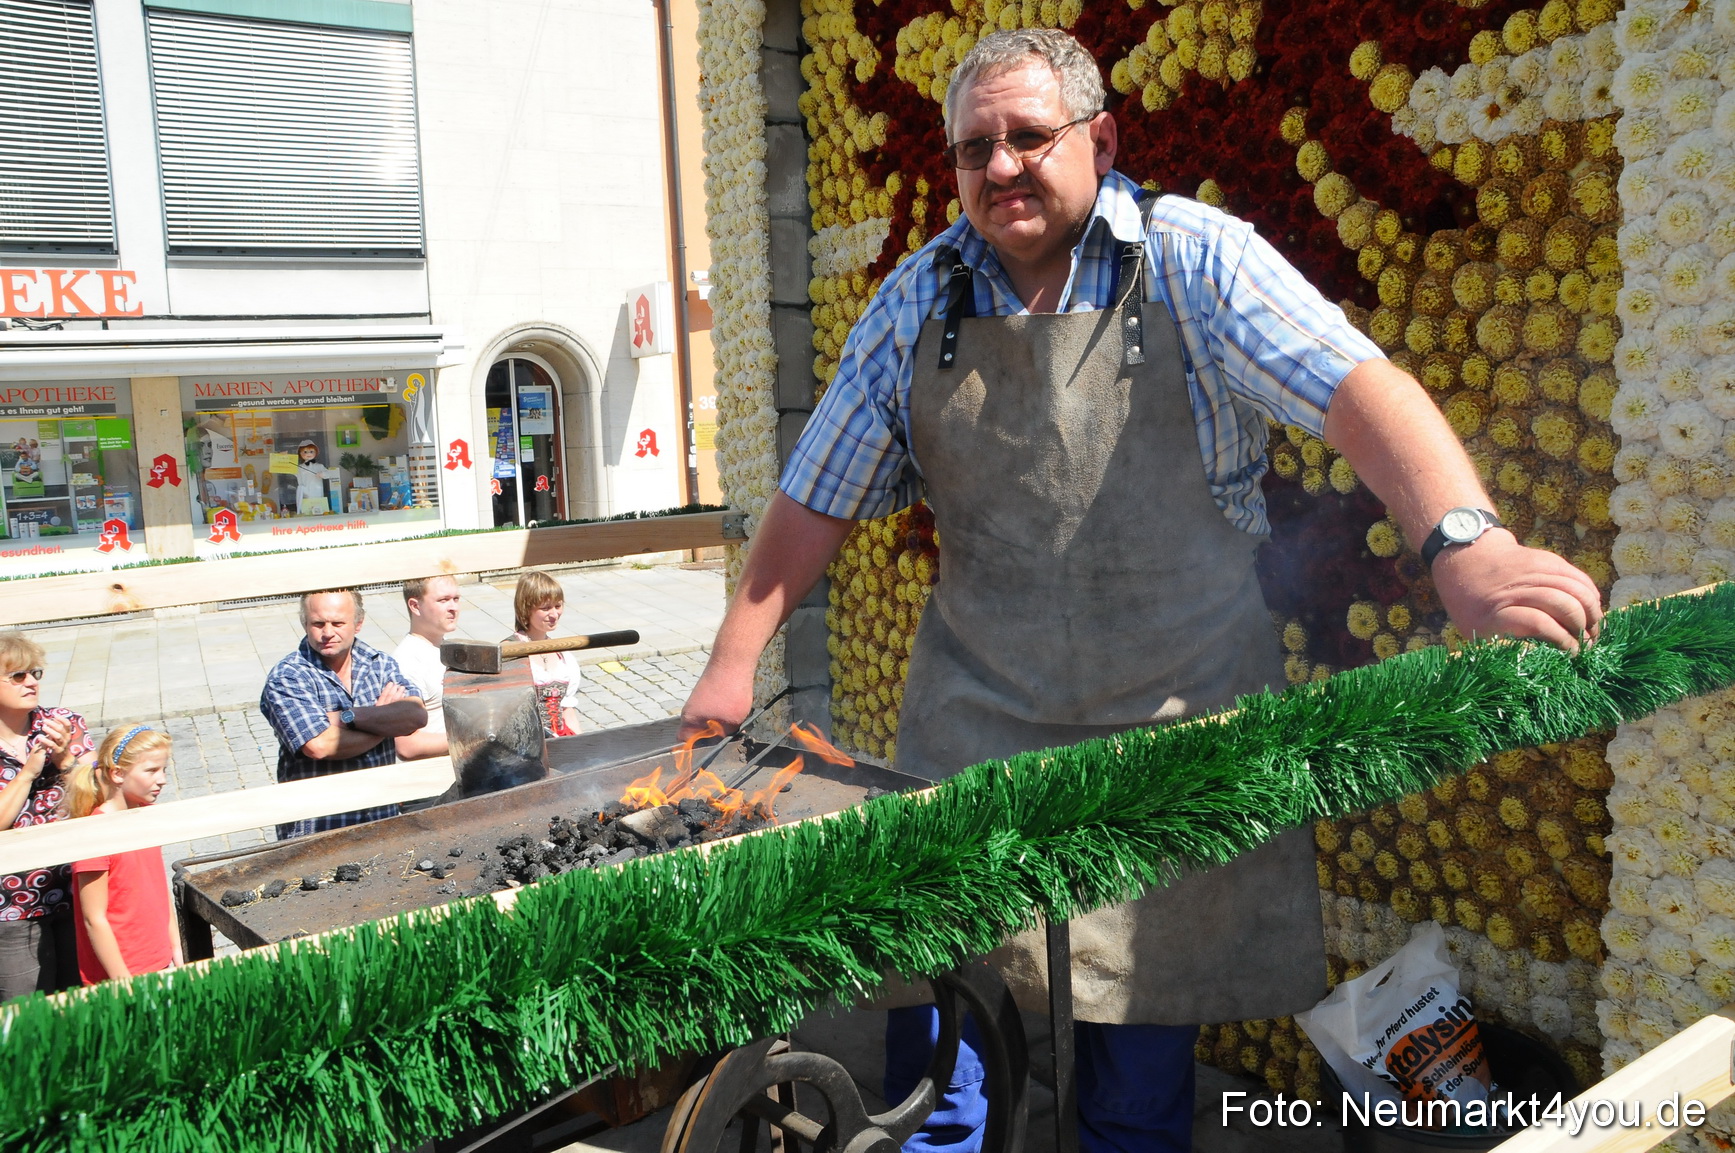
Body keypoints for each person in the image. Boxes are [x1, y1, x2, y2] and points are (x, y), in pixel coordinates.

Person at [679, 29, 1604, 1153]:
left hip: (1167, 738)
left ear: (1100, 139)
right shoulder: (917, 299)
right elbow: (815, 494)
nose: (1002, 166)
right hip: (972, 728)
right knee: (945, 1074)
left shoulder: (1196, 259)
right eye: (976, 147)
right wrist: (729, 676)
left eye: (1029, 136)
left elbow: (1357, 386)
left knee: (1134, 1080)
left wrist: (1466, 546)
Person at [259, 588, 427, 839]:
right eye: (318, 623)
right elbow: (320, 745)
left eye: (338, 623)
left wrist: (346, 717)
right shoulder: (288, 677)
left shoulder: (379, 664)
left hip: (381, 822)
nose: (327, 633)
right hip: (318, 831)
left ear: (358, 623)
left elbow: (415, 715)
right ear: (304, 623)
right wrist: (383, 719)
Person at [0, 634, 94, 1000]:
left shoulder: (64, 723)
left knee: (84, 1002)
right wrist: (28, 772)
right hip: (12, 907)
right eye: (18, 676)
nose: (33, 682)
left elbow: (100, 796)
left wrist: (65, 761)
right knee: (24, 1012)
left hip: (76, 889)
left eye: (35, 672)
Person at [65, 726, 181, 983]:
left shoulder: (146, 817)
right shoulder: (95, 834)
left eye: (163, 770)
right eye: (151, 770)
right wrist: (123, 981)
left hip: (158, 961)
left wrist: (176, 951)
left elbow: (159, 893)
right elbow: (94, 918)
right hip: (120, 975)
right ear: (117, 774)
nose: (162, 779)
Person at [393, 575, 463, 759]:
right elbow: (407, 746)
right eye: (443, 600)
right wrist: (475, 738)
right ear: (415, 606)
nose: (453, 607)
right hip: (438, 778)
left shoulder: (449, 649)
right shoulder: (406, 662)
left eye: (456, 599)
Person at [511, 569, 583, 738]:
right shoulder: (511, 651)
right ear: (526, 609)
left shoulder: (563, 656)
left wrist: (583, 746)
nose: (554, 614)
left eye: (558, 606)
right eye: (545, 608)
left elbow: (567, 711)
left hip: (560, 743)